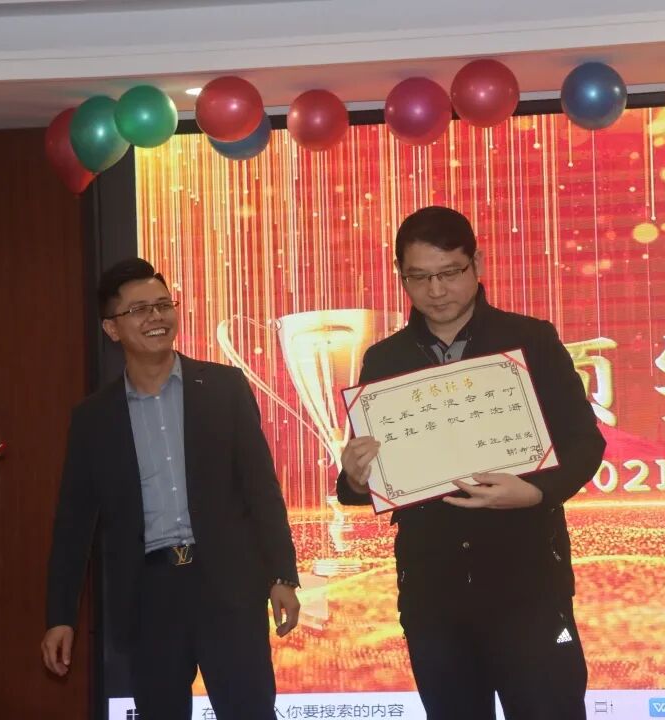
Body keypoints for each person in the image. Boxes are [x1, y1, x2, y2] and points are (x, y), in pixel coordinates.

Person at [337, 206, 606, 720]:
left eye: (449, 272)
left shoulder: (531, 340)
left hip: (527, 583)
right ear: (401, 276)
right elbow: (369, 478)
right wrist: (354, 476)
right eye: (419, 277)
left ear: (476, 264)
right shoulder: (384, 359)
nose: (436, 290)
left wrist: (535, 492)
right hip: (432, 592)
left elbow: (583, 443)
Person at [41, 258, 301, 720]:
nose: (156, 317)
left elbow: (261, 488)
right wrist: (60, 616)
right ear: (112, 328)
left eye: (163, 305)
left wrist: (282, 574)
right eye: (139, 309)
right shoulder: (94, 419)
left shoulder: (223, 387)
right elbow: (73, 524)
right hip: (149, 595)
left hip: (227, 586)